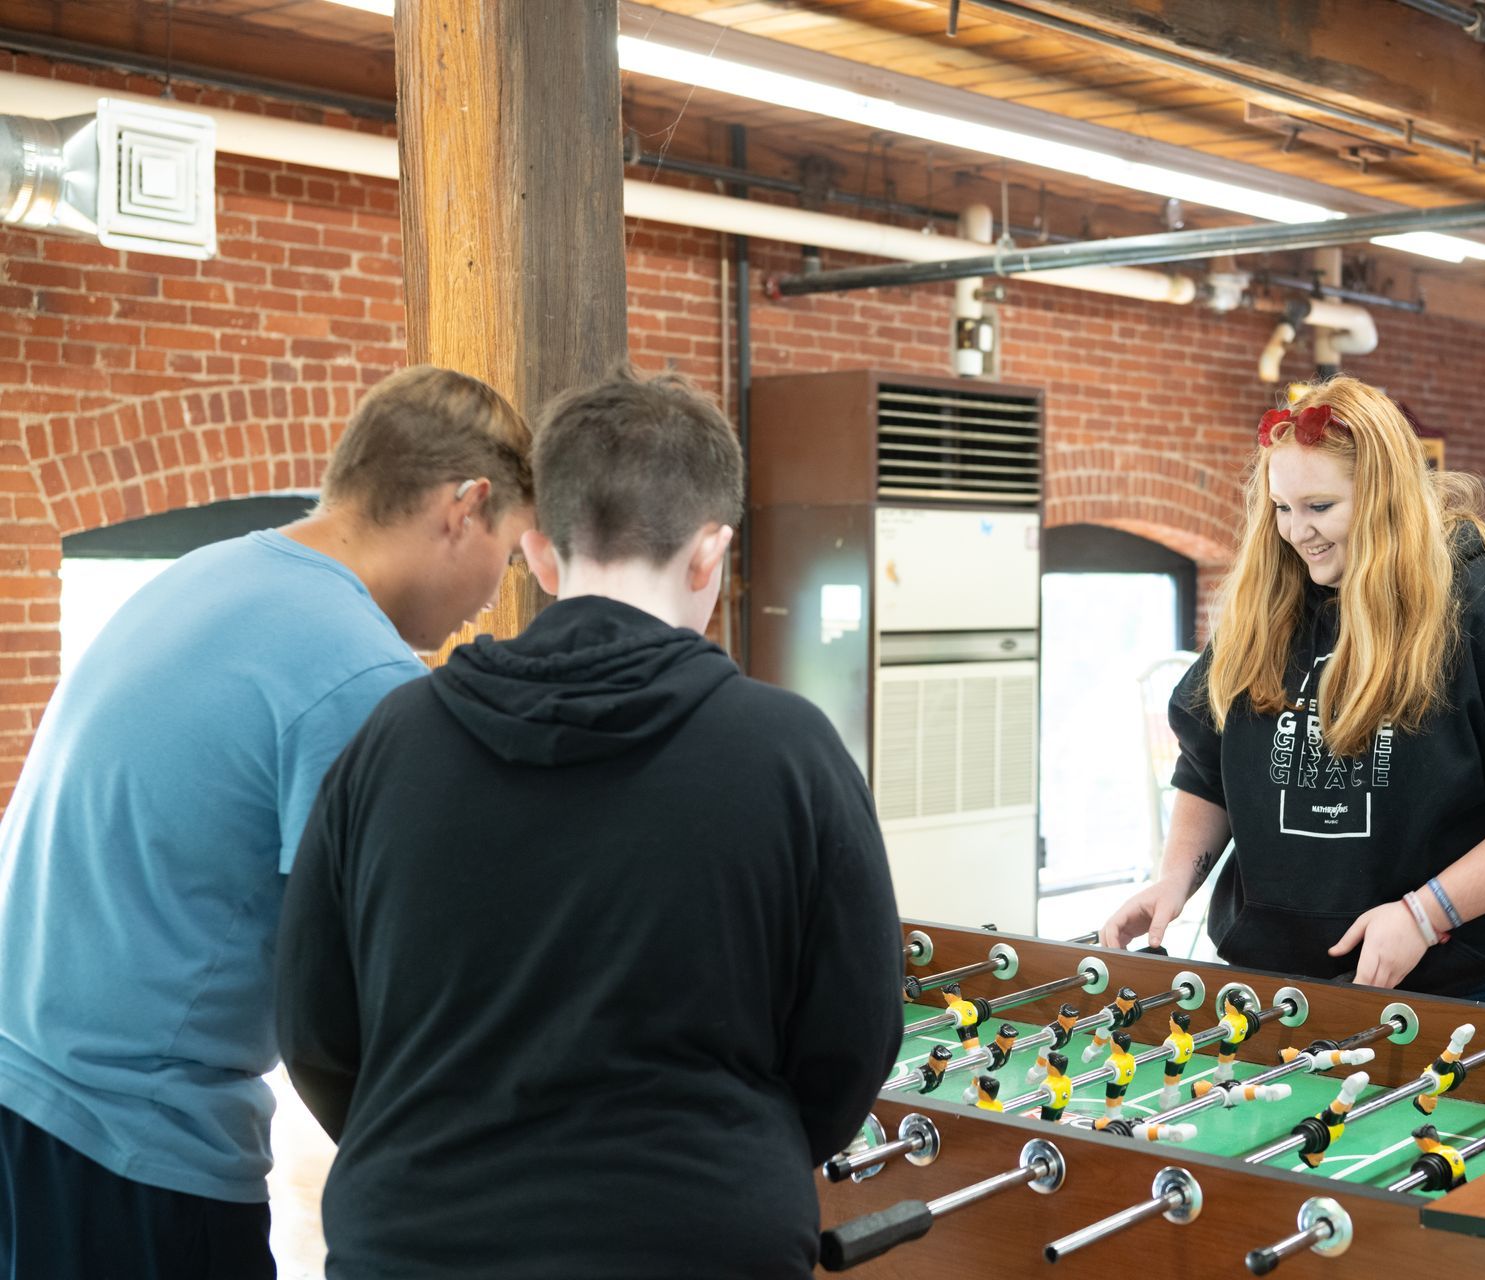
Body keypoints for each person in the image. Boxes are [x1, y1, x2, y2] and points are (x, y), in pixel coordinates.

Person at [274, 371, 903, 1279]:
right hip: (700, 1239)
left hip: (416, 1241)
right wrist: (740, 1152)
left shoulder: (391, 740)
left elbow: (317, 1029)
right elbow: (853, 1033)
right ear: (709, 553)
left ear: (536, 551)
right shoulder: (790, 752)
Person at [0, 365, 534, 1280]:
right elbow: (376, 985)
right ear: (465, 506)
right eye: (512, 552)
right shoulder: (360, 674)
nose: (496, 595)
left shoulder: (213, 572)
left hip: (28, 1088)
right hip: (128, 1141)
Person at [1100, 376, 1485, 1010]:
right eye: (1281, 507)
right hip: (1274, 975)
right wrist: (1176, 879)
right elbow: (1208, 768)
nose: (1296, 532)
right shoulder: (1267, 615)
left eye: (1320, 507)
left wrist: (1425, 914)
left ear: (1389, 498)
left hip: (1466, 980)